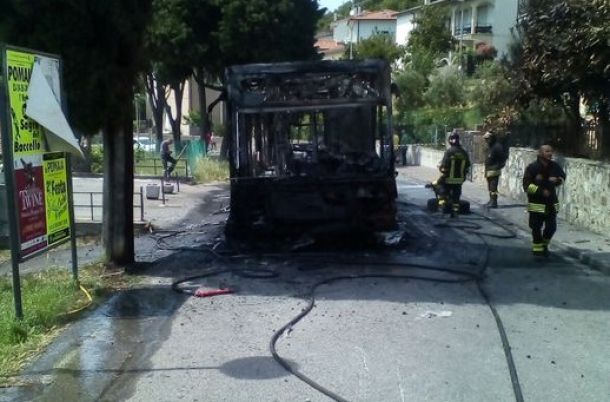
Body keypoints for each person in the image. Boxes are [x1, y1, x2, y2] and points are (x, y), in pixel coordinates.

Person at [522, 144, 566, 257]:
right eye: (547, 151)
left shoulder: (555, 166)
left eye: (551, 151)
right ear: (540, 153)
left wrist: (557, 180)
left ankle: (544, 245)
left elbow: (562, 177)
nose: (550, 153)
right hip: (537, 204)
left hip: (551, 203)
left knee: (551, 228)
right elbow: (526, 186)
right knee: (536, 228)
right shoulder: (532, 168)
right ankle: (537, 249)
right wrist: (540, 191)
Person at [438, 131, 471, 217]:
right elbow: (468, 165)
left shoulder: (449, 152)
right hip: (459, 180)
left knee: (442, 192)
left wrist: (441, 170)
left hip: (448, 179)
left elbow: (444, 165)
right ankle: (455, 212)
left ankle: (442, 208)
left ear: (450, 140)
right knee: (456, 197)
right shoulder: (464, 152)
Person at [483, 131, 507, 208]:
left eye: (487, 138)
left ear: (492, 138)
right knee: (490, 187)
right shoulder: (489, 146)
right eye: (485, 139)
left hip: (494, 170)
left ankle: (494, 202)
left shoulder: (497, 146)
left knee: (493, 187)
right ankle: (490, 200)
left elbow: (503, 157)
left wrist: (499, 166)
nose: (486, 140)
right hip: (488, 170)